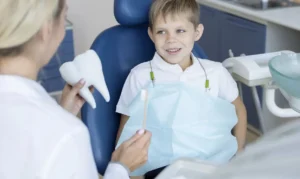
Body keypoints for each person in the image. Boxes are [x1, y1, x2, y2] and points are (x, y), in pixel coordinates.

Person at [0, 0, 151, 179]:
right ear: (46, 29)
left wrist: (62, 113)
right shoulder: (68, 134)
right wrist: (121, 167)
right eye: (64, 18)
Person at [116, 0, 247, 177]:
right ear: (151, 34)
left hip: (212, 163)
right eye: (161, 32)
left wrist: (239, 155)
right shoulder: (140, 76)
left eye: (180, 30)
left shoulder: (215, 72)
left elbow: (239, 110)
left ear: (197, 32)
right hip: (162, 166)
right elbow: (127, 128)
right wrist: (123, 170)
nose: (171, 39)